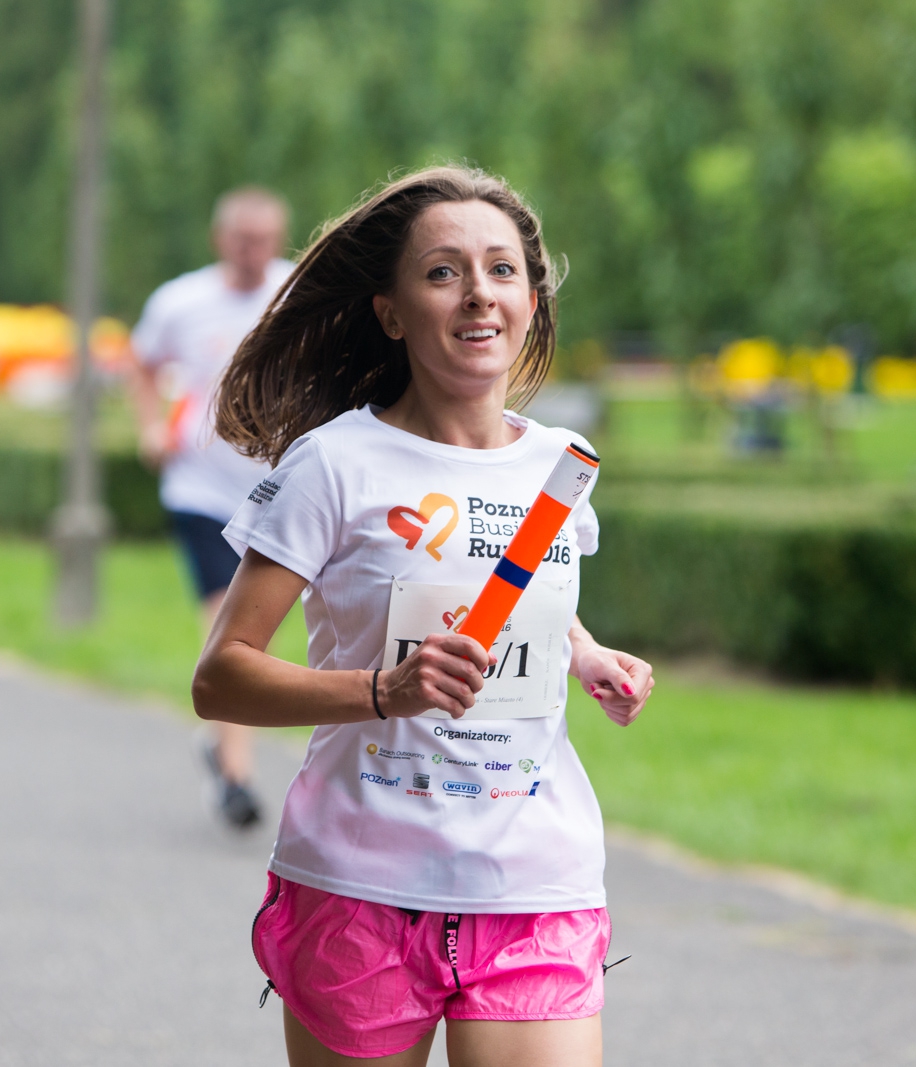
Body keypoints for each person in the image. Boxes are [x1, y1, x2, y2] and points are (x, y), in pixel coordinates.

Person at [194, 166, 654, 1067]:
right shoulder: (333, 465)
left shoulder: (565, 467)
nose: (478, 292)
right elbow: (222, 673)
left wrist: (585, 652)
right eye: (444, 271)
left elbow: (515, 599)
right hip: (361, 883)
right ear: (392, 310)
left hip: (533, 878)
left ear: (529, 299)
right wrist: (384, 689)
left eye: (502, 270)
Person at [130, 187, 294, 829]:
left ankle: (222, 744)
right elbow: (140, 365)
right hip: (200, 487)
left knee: (257, 632)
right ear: (219, 239)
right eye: (241, 239)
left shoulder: (296, 293)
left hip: (277, 491)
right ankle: (236, 777)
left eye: (264, 239)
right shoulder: (181, 301)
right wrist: (149, 427)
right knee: (225, 625)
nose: (253, 252)